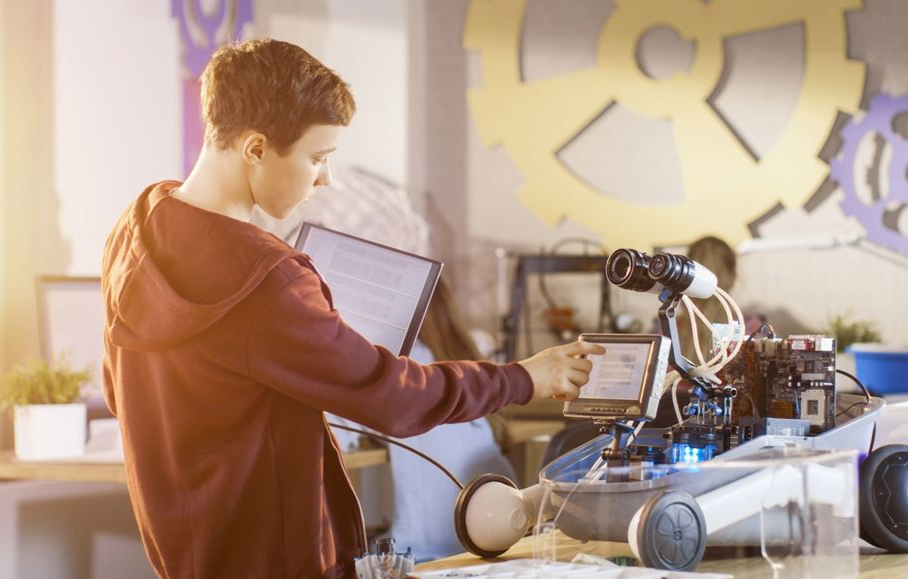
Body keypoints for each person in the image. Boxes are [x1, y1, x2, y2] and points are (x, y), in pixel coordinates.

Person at [100, 38, 602, 578]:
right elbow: (392, 399)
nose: (326, 179)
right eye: (317, 158)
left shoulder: (136, 232)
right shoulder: (268, 278)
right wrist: (524, 377)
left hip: (187, 558)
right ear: (254, 148)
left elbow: (121, 391)